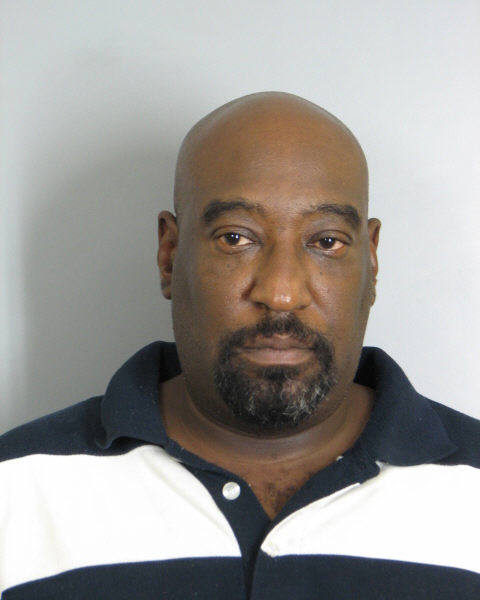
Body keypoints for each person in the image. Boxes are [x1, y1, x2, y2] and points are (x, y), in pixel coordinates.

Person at [0, 92, 478, 599]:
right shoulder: (14, 491)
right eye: (235, 238)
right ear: (169, 254)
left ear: (371, 262)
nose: (281, 293)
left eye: (327, 241)